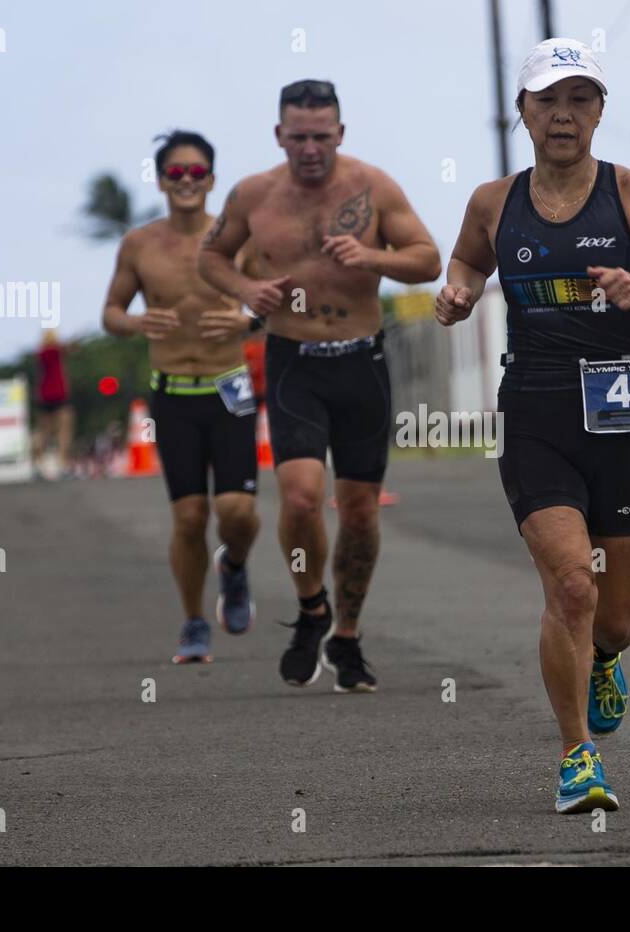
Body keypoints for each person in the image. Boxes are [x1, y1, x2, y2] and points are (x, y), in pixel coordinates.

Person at [436, 39, 630, 813]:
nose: (564, 115)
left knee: (616, 620)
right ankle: (577, 759)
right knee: (570, 586)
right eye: (548, 100)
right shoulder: (495, 202)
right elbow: (465, 263)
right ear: (522, 111)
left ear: (600, 112)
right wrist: (457, 294)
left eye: (581, 100)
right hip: (536, 408)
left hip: (623, 410)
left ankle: (603, 660)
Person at [198, 80, 441, 692]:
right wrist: (246, 291)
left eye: (321, 135)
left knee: (358, 512)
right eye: (298, 136)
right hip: (294, 362)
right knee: (302, 497)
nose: (310, 148)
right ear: (279, 135)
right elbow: (212, 256)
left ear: (341, 132)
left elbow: (428, 259)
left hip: (362, 363)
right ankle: (312, 607)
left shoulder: (373, 185)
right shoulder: (254, 194)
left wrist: (372, 258)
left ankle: (348, 636)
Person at [102, 130, 260, 663]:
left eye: (197, 173)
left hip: (229, 388)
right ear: (161, 180)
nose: (187, 182)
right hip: (172, 394)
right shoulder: (140, 244)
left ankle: (234, 566)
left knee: (237, 511)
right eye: (176, 173)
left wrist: (247, 319)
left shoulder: (238, 240)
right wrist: (137, 321)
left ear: (212, 179)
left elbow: (279, 302)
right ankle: (194, 621)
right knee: (190, 517)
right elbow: (112, 312)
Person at [32, 329, 74, 478]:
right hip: (59, 396)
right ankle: (62, 463)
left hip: (43, 396)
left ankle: (37, 463)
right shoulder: (55, 351)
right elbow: (71, 348)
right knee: (64, 430)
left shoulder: (40, 354)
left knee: (43, 432)